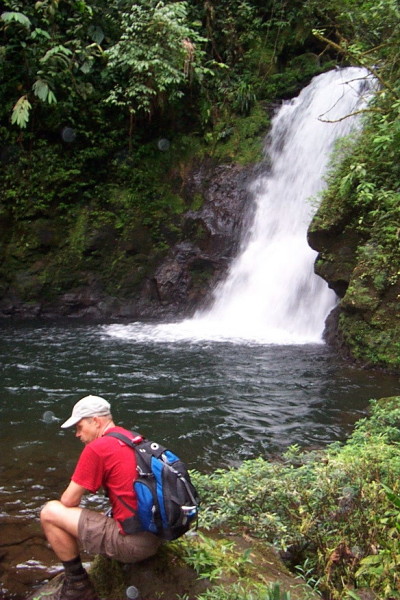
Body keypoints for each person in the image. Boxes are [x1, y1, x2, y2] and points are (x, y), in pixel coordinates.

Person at [40, 395, 162, 600]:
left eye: (79, 427)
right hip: (158, 534)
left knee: (49, 512)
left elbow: (68, 502)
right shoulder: (133, 438)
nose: (77, 434)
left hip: (134, 545)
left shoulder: (97, 448)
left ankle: (78, 586)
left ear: (95, 421)